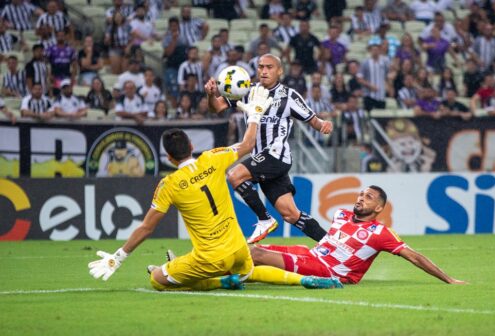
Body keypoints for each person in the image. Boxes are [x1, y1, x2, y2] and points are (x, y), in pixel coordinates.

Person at [88, 86, 342, 291]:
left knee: (157, 278)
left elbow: (146, 227)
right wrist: (254, 114)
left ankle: (222, 281)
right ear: (191, 145)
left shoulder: (169, 185)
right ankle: (304, 280)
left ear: (168, 157)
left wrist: (118, 256)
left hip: (211, 258)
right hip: (239, 248)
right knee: (251, 271)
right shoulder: (213, 158)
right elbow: (247, 144)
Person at [205, 54, 333, 244]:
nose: (264, 71)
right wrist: (210, 94)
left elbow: (313, 120)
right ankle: (332, 245)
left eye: (269, 67)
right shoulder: (247, 91)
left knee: (234, 175)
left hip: (276, 156)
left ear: (279, 71)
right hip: (260, 159)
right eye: (260, 67)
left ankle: (264, 219)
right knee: (291, 214)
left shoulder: (289, 96)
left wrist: (324, 123)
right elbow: (216, 108)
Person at [250, 186, 467, 285]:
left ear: (379, 208)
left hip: (328, 271)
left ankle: (219, 277)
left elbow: (414, 256)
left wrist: (448, 279)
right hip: (311, 255)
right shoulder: (341, 214)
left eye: (369, 197)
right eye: (361, 194)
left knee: (257, 255)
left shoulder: (381, 233)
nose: (361, 198)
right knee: (249, 251)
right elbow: (328, 238)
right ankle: (225, 274)